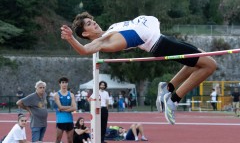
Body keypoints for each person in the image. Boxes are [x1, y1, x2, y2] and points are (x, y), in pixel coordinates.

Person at [60, 12, 217, 125]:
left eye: (91, 20)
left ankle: (167, 87)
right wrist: (71, 38)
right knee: (210, 66)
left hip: (162, 39)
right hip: (160, 45)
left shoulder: (111, 29)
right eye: (89, 24)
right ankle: (173, 100)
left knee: (203, 59)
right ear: (86, 33)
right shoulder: (101, 41)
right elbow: (84, 50)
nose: (93, 22)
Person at [54, 77, 77, 143]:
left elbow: (75, 108)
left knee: (70, 140)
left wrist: (65, 109)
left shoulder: (71, 94)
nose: (64, 84)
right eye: (63, 82)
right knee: (58, 139)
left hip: (69, 120)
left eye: (66, 82)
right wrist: (70, 107)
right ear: (60, 84)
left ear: (67, 84)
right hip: (60, 120)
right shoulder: (57, 95)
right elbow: (60, 107)